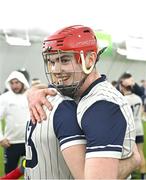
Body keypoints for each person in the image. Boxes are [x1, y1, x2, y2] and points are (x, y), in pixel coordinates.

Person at [26, 25, 139, 179]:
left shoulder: (102, 106)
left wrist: (134, 161)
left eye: (64, 60)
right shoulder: (73, 90)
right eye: (52, 62)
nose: (55, 69)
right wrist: (32, 93)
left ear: (90, 59)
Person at [0, 71, 30, 174]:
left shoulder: (30, 95)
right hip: (12, 143)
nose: (14, 85)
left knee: (33, 171)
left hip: (29, 141)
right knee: (10, 172)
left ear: (23, 82)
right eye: (12, 83)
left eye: (17, 82)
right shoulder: (5, 98)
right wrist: (1, 138)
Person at [119, 73, 146, 179]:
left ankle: (130, 174)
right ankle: (143, 176)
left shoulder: (123, 100)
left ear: (123, 87)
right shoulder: (138, 98)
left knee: (128, 154)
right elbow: (141, 112)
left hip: (130, 129)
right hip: (139, 127)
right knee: (140, 152)